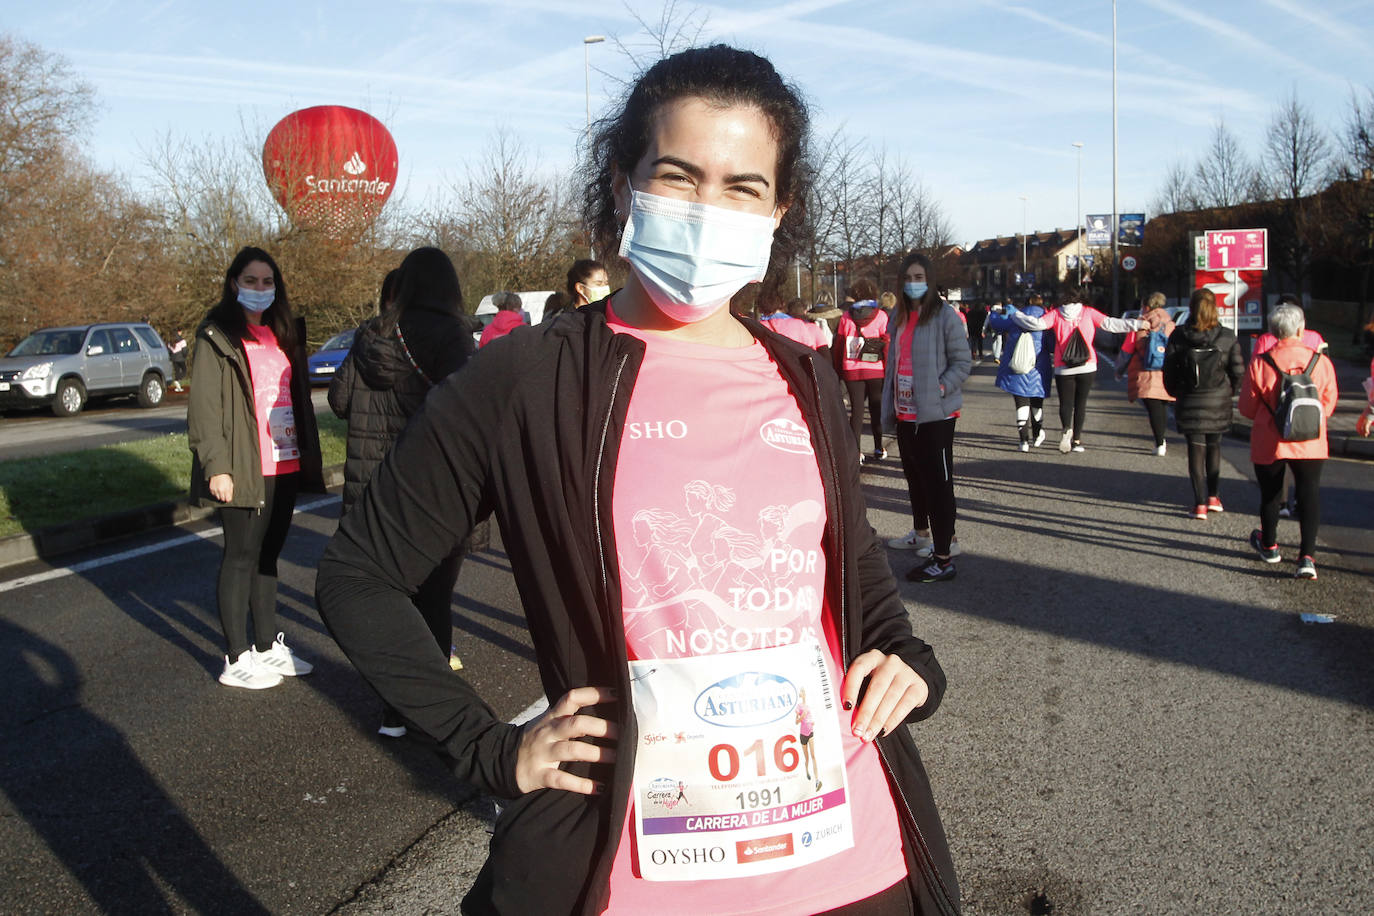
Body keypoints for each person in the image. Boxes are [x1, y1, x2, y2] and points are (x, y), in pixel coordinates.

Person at [317, 44, 958, 916]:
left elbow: (844, 566)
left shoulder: (804, 373)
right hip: (636, 879)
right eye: (678, 175)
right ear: (622, 186)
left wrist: (906, 658)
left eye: (743, 188)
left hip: (852, 859)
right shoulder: (527, 380)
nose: (707, 209)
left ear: (780, 210)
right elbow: (361, 577)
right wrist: (488, 751)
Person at [328, 248, 476, 736]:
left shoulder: (370, 333)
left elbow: (340, 400)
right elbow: (469, 407)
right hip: (430, 492)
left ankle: (393, 709)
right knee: (434, 600)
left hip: (371, 490)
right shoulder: (449, 335)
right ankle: (433, 710)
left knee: (387, 599)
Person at [188, 246, 324, 689]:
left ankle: (266, 647)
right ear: (234, 284)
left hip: (284, 461)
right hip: (244, 464)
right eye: (251, 281)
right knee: (240, 556)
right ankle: (235, 656)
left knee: (268, 557)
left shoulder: (282, 333)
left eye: (268, 282)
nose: (260, 290)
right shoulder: (217, 336)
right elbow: (205, 407)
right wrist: (217, 466)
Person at [881, 251, 972, 582]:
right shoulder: (900, 316)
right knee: (914, 477)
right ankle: (921, 533)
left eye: (919, 278)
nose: (913, 284)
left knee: (939, 484)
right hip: (905, 413)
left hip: (936, 414)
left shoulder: (945, 317)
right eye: (908, 278)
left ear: (929, 281)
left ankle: (944, 556)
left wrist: (940, 388)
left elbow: (963, 363)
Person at [1238, 303, 1338, 579]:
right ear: (1301, 328)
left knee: (1271, 495)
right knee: (1309, 494)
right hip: (1310, 439)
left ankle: (1269, 545)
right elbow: (1329, 402)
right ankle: (1307, 557)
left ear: (1273, 331)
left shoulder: (1260, 362)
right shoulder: (1321, 361)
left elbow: (1246, 408)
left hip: (1270, 438)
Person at [1008, 287, 1145, 453]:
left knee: (1066, 403)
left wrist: (1016, 314)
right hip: (1087, 364)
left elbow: (1037, 324)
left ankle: (1066, 429)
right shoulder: (1088, 312)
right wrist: (1137, 324)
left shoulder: (1057, 313)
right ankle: (1077, 440)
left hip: (1063, 366)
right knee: (1081, 404)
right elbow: (1111, 324)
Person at [1162, 288, 1245, 519]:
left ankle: (1199, 504)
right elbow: (1238, 371)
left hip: (1189, 400)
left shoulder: (1179, 336)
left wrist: (1175, 392)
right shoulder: (1227, 337)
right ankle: (1214, 496)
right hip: (1218, 400)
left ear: (1191, 308)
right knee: (1214, 448)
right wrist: (1229, 392)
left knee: (1195, 451)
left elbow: (1168, 370)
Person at [833, 278, 890, 462]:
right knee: (876, 409)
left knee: (856, 412)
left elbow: (839, 345)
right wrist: (888, 368)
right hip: (876, 369)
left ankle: (856, 451)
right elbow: (887, 345)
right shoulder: (881, 316)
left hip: (852, 370)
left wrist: (838, 371)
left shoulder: (845, 317)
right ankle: (879, 447)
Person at [986, 294, 1052, 451]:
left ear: (1027, 302)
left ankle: (1023, 442)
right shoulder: (1046, 319)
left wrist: (995, 311)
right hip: (1038, 368)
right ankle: (1037, 436)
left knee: (1021, 404)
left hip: (1017, 366)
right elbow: (1051, 344)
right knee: (1037, 403)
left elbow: (996, 324)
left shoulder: (1016, 316)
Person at [1115, 292, 1176, 455]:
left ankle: (1160, 442)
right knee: (1162, 405)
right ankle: (1161, 440)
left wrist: (1119, 370)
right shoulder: (1170, 324)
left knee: (1153, 406)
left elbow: (1127, 350)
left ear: (1147, 306)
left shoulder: (1140, 324)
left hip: (1145, 371)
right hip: (1166, 372)